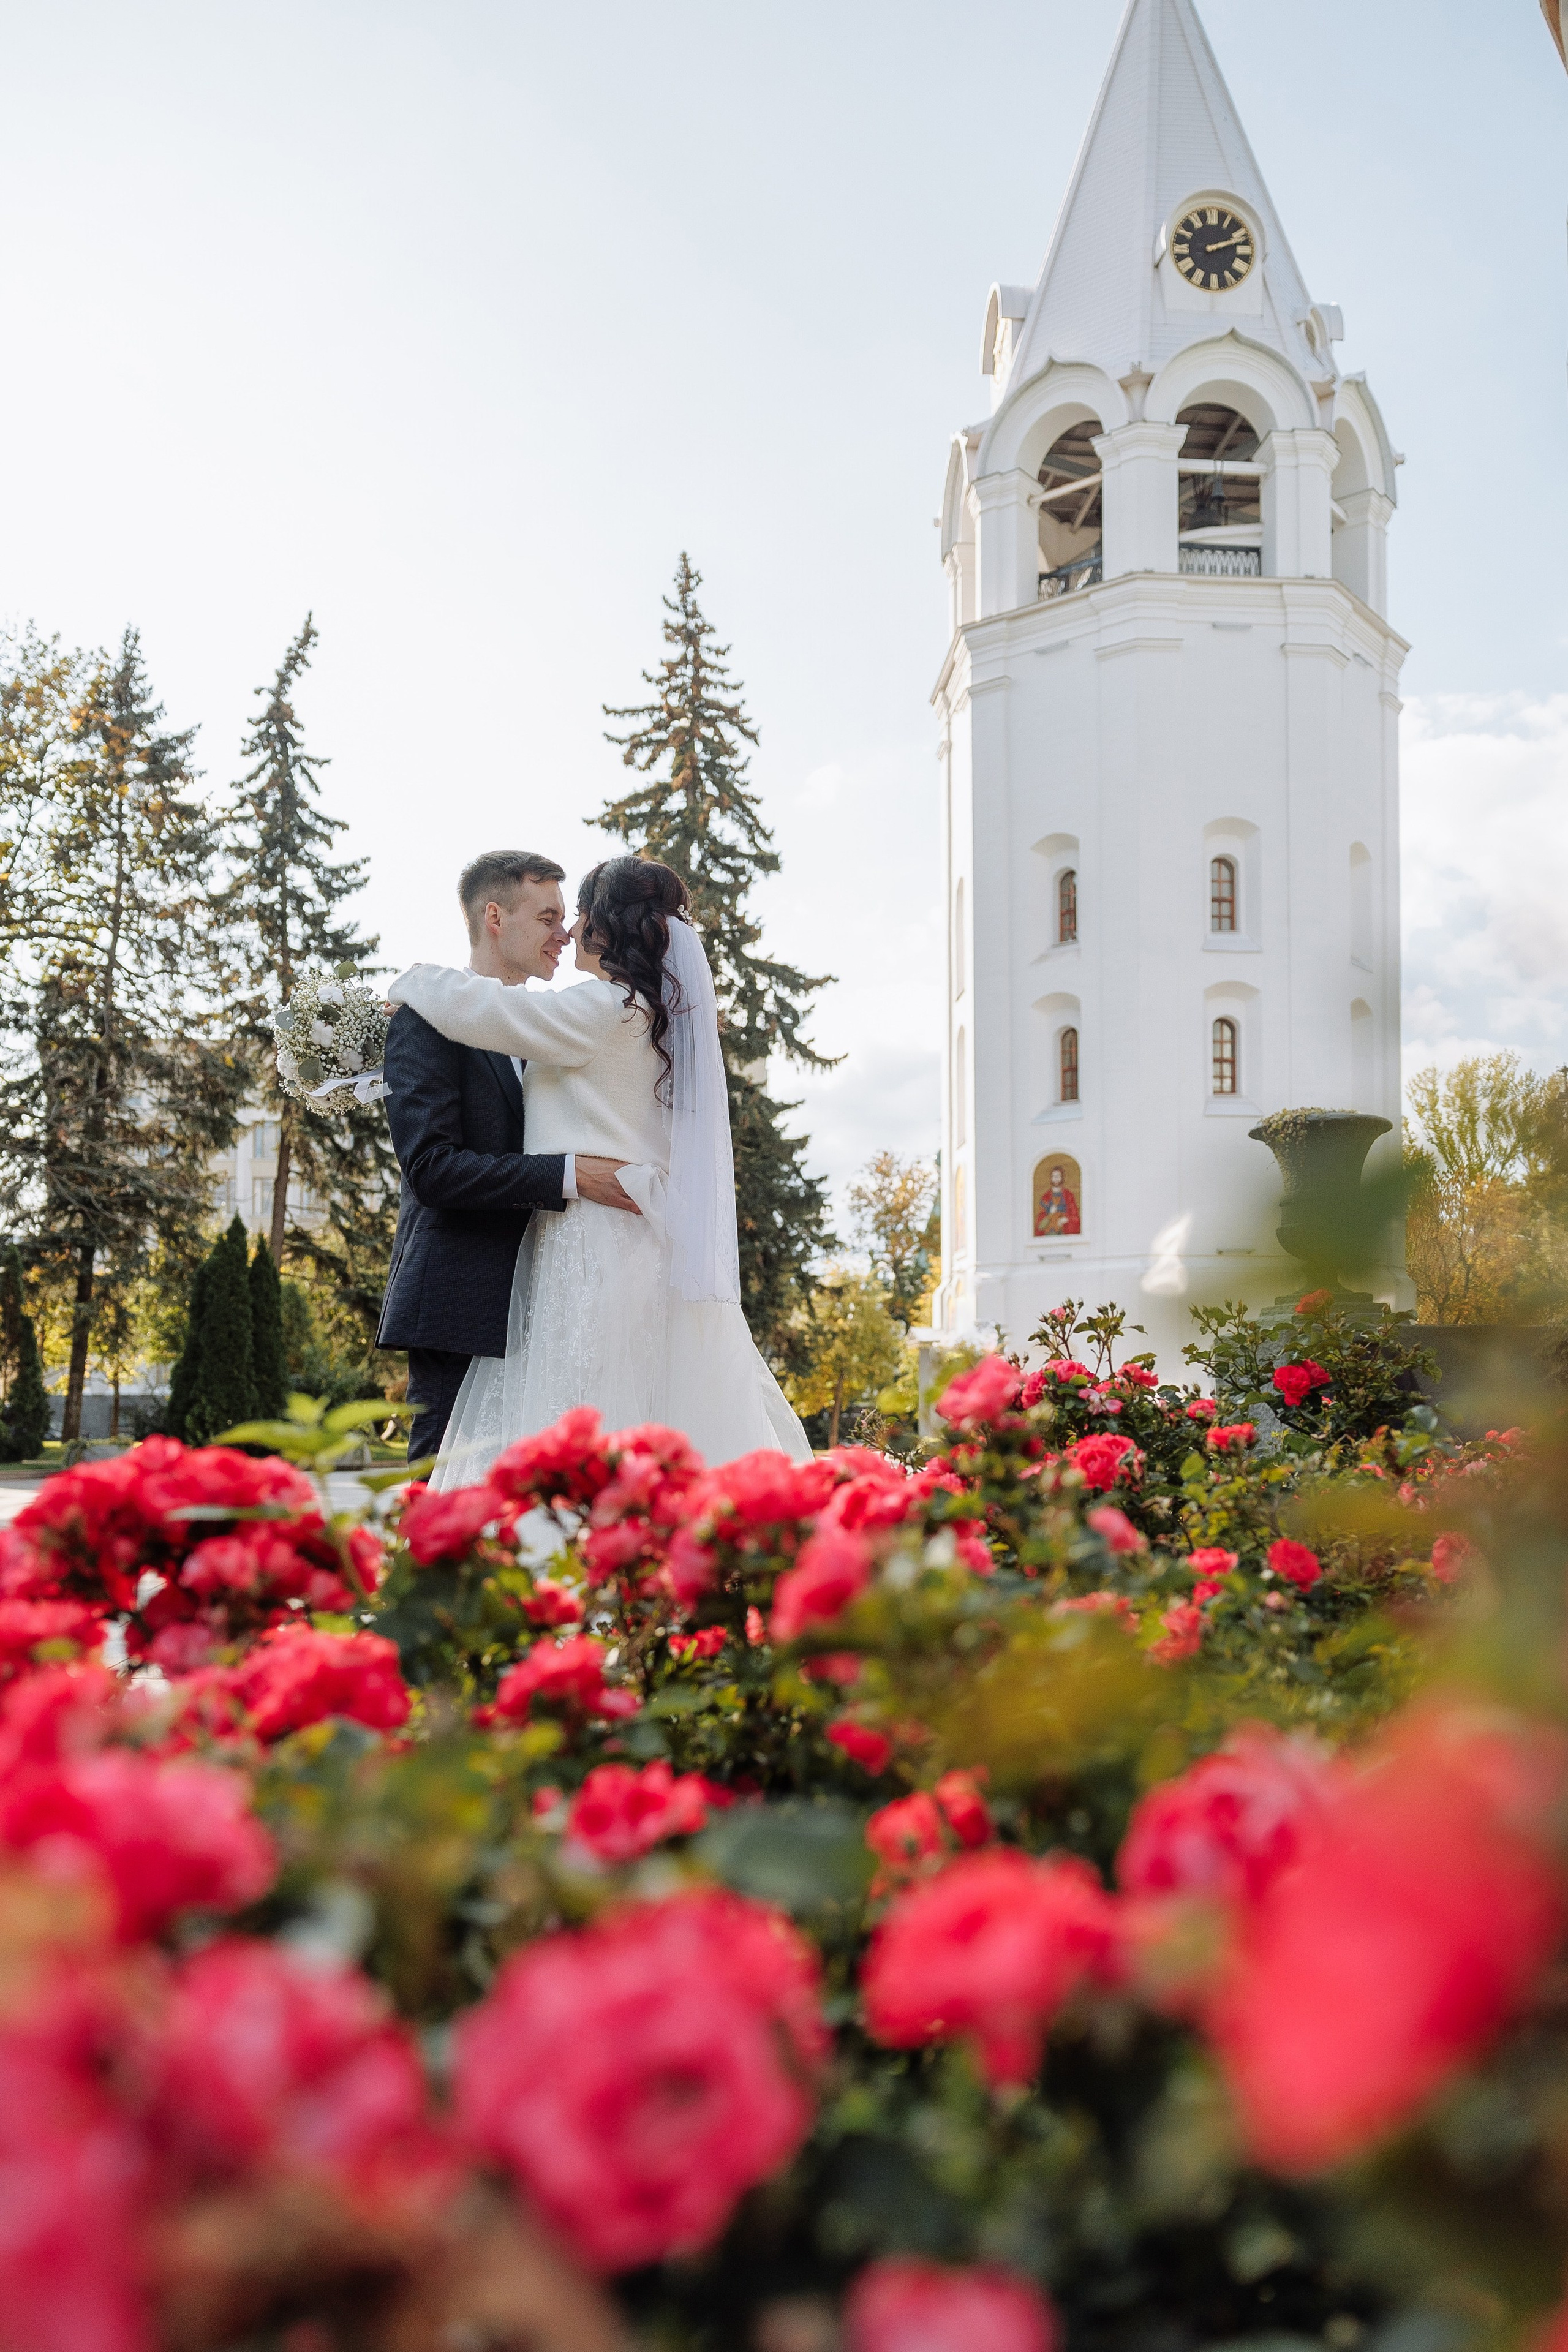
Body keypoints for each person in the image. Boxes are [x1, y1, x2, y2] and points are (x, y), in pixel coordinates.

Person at [387, 855, 812, 1482]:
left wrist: (411, 982)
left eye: (578, 914)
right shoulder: (654, 1019)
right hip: (628, 1244)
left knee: (578, 1412)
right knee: (620, 1409)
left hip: (588, 1244)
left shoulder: (602, 1009)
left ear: (606, 927)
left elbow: (490, 1013)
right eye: (553, 916)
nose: (568, 930)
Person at [375, 850, 641, 1468]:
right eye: (548, 915)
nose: (566, 932)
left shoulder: (551, 1033)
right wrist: (572, 1176)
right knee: (442, 1510)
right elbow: (432, 1169)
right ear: (495, 916)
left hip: (552, 1305)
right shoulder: (425, 1022)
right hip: (460, 1299)